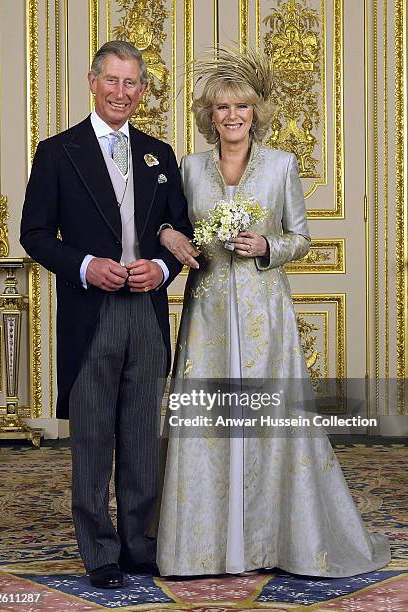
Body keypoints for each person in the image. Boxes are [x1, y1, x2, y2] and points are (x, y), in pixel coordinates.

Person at [156, 47, 391, 577]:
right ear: (208, 116)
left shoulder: (282, 165)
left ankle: (271, 543)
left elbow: (301, 239)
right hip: (209, 315)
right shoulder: (189, 169)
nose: (232, 117)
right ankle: (200, 549)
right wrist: (174, 236)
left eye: (241, 107)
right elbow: (167, 225)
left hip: (265, 317)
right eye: (221, 109)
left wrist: (266, 246)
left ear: (256, 112)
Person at [20, 41, 192, 589]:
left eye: (131, 83)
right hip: (91, 312)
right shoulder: (57, 152)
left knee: (142, 432)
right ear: (92, 83)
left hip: (145, 311)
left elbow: (177, 230)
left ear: (142, 91)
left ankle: (139, 543)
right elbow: (35, 235)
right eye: (112, 81)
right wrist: (87, 264)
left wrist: (162, 271)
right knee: (93, 435)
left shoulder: (158, 153)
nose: (121, 92)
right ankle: (100, 550)